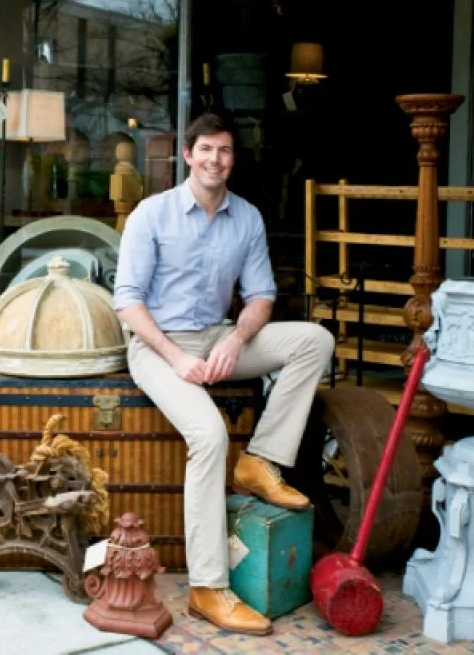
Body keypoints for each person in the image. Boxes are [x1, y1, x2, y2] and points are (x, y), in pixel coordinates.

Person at [113, 113, 335, 635]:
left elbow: (261, 297)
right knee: (210, 434)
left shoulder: (247, 218)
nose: (216, 160)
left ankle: (260, 460)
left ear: (233, 159)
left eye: (225, 151)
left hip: (218, 336)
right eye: (207, 150)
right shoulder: (152, 214)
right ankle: (208, 587)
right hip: (156, 346)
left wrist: (236, 340)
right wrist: (175, 356)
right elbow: (127, 302)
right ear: (188, 155)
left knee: (315, 341)